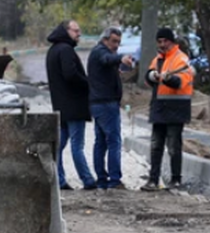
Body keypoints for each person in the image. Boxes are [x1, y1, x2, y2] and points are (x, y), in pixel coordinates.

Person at [141, 27, 194, 192]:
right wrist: (154, 76)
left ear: (172, 42)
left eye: (166, 41)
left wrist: (168, 78)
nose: (162, 44)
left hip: (176, 109)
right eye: (160, 41)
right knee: (156, 146)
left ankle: (175, 180)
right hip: (159, 108)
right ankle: (153, 179)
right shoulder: (158, 59)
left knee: (173, 147)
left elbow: (180, 82)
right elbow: (148, 76)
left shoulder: (181, 59)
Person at [45, 20, 95, 191]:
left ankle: (59, 180)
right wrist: (88, 83)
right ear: (66, 31)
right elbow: (70, 74)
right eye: (76, 30)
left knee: (59, 146)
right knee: (77, 145)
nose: (79, 34)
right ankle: (87, 179)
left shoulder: (53, 50)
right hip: (74, 105)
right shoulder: (66, 50)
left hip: (61, 106)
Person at [87, 27, 135, 189]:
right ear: (105, 39)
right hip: (106, 104)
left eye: (118, 43)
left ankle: (102, 179)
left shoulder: (99, 52)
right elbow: (107, 59)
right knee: (113, 141)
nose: (116, 45)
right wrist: (121, 58)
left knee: (100, 142)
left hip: (99, 103)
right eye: (114, 41)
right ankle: (114, 180)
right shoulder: (100, 51)